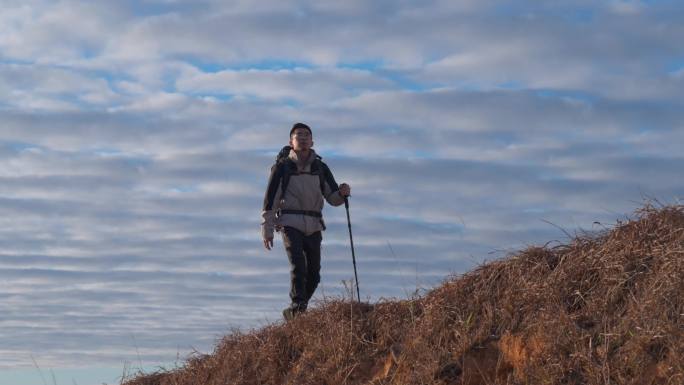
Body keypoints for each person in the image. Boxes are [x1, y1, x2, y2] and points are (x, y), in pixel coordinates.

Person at [261, 122, 351, 320]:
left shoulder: (320, 168)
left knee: (314, 274)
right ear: (291, 141)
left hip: (314, 223)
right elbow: (270, 202)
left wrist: (343, 193)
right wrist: (266, 230)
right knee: (298, 266)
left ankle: (295, 312)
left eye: (306, 135)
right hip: (289, 222)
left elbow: (333, 198)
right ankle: (298, 307)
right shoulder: (282, 168)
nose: (302, 138)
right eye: (298, 135)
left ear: (312, 141)